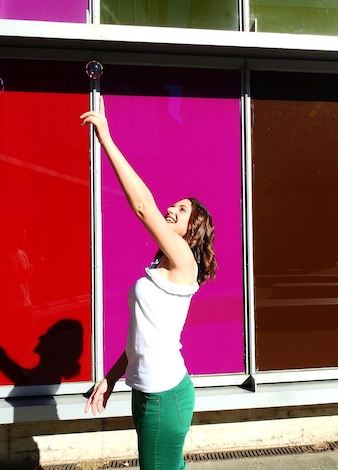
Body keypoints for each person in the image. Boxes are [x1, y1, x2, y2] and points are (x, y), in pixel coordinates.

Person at [81, 98, 217, 470]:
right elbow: (142, 334)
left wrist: (105, 137)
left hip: (164, 396)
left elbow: (143, 206)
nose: (170, 209)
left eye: (182, 209)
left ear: (193, 230)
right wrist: (111, 377)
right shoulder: (160, 267)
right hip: (146, 393)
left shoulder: (185, 263)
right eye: (172, 205)